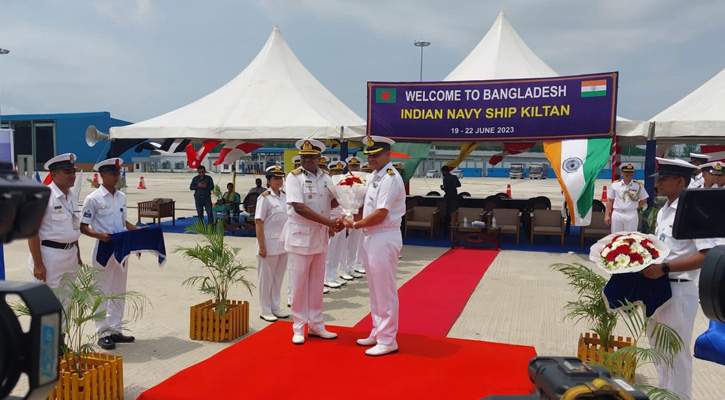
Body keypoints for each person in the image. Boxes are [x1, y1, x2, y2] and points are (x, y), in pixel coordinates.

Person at [640, 157, 716, 400]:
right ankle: (664, 395)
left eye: (663, 178)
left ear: (680, 181)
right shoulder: (664, 210)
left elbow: (708, 255)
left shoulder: (695, 211)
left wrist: (664, 268)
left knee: (677, 354)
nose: (658, 183)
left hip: (680, 289)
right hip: (658, 288)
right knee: (659, 350)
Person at [343, 136, 405, 357]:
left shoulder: (390, 178)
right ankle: (378, 331)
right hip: (373, 235)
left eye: (376, 154)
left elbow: (381, 213)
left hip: (384, 235)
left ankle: (388, 339)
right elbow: (367, 207)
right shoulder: (375, 177)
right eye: (369, 155)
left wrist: (356, 224)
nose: (371, 158)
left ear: (388, 154)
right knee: (374, 289)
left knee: (385, 290)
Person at [284, 138, 342, 345]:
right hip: (301, 235)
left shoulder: (326, 178)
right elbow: (299, 207)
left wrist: (347, 204)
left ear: (320, 158)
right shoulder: (294, 177)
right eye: (304, 157)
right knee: (299, 283)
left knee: (317, 283)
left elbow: (333, 200)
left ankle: (317, 325)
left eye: (311, 157)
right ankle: (298, 326)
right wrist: (329, 222)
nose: (307, 160)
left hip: (320, 236)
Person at [80, 158, 142, 350]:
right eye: (113, 173)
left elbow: (124, 223)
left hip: (122, 247)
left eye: (118, 173)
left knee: (118, 289)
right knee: (102, 290)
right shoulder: (93, 198)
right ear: (101, 176)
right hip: (104, 248)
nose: (117, 177)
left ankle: (115, 329)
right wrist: (99, 234)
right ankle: (102, 331)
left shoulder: (121, 197)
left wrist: (139, 230)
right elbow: (83, 227)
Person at [27, 153, 83, 304]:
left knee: (66, 303)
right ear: (53, 174)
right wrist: (38, 264)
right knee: (47, 304)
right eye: (67, 172)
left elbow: (73, 227)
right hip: (50, 257)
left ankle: (62, 329)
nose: (72, 176)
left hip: (70, 255)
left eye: (73, 172)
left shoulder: (71, 197)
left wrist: (78, 256)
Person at [255, 165, 290, 322]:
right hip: (268, 244)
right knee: (266, 278)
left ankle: (276, 307)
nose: (279, 181)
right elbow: (259, 222)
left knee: (278, 278)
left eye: (281, 178)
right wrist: (262, 246)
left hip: (283, 243)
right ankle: (265, 309)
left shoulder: (285, 196)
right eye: (276, 178)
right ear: (268, 181)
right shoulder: (264, 198)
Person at [324, 161, 349, 289]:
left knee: (338, 250)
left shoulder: (344, 185)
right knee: (330, 250)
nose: (338, 174)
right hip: (332, 220)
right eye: (335, 172)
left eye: (340, 172)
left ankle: (333, 275)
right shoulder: (328, 186)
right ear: (330, 173)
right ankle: (326, 277)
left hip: (341, 220)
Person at [604, 163, 649, 233]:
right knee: (616, 236)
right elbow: (609, 200)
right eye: (626, 172)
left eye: (631, 172)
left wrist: (634, 207)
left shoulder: (638, 185)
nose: (629, 174)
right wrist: (607, 215)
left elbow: (644, 200)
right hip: (617, 214)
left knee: (630, 237)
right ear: (622, 173)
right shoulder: (615, 185)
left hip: (631, 214)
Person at [342, 155, 366, 278]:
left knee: (355, 243)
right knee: (344, 244)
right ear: (348, 166)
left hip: (358, 215)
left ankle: (352, 266)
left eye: (356, 165)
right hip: (346, 214)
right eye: (352, 166)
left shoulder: (363, 180)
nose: (355, 167)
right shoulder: (342, 180)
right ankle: (343, 269)